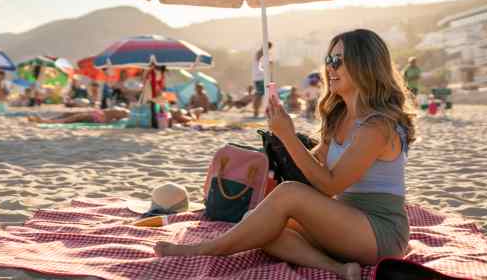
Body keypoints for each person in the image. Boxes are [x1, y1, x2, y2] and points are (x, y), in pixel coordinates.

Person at [154, 29, 417, 279]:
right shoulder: (340, 116)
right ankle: (339, 269)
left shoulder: (377, 126)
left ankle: (205, 249)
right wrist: (278, 146)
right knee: (259, 225)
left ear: (365, 64)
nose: (330, 67)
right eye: (328, 59)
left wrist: (289, 137)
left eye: (338, 60)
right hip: (346, 223)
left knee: (286, 196)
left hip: (381, 233)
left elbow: (330, 183)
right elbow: (313, 167)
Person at [252, 42, 274, 118]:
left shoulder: (263, 53)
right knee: (259, 94)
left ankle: (258, 111)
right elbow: (262, 62)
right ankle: (256, 111)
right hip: (259, 76)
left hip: (261, 76)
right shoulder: (260, 53)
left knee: (262, 94)